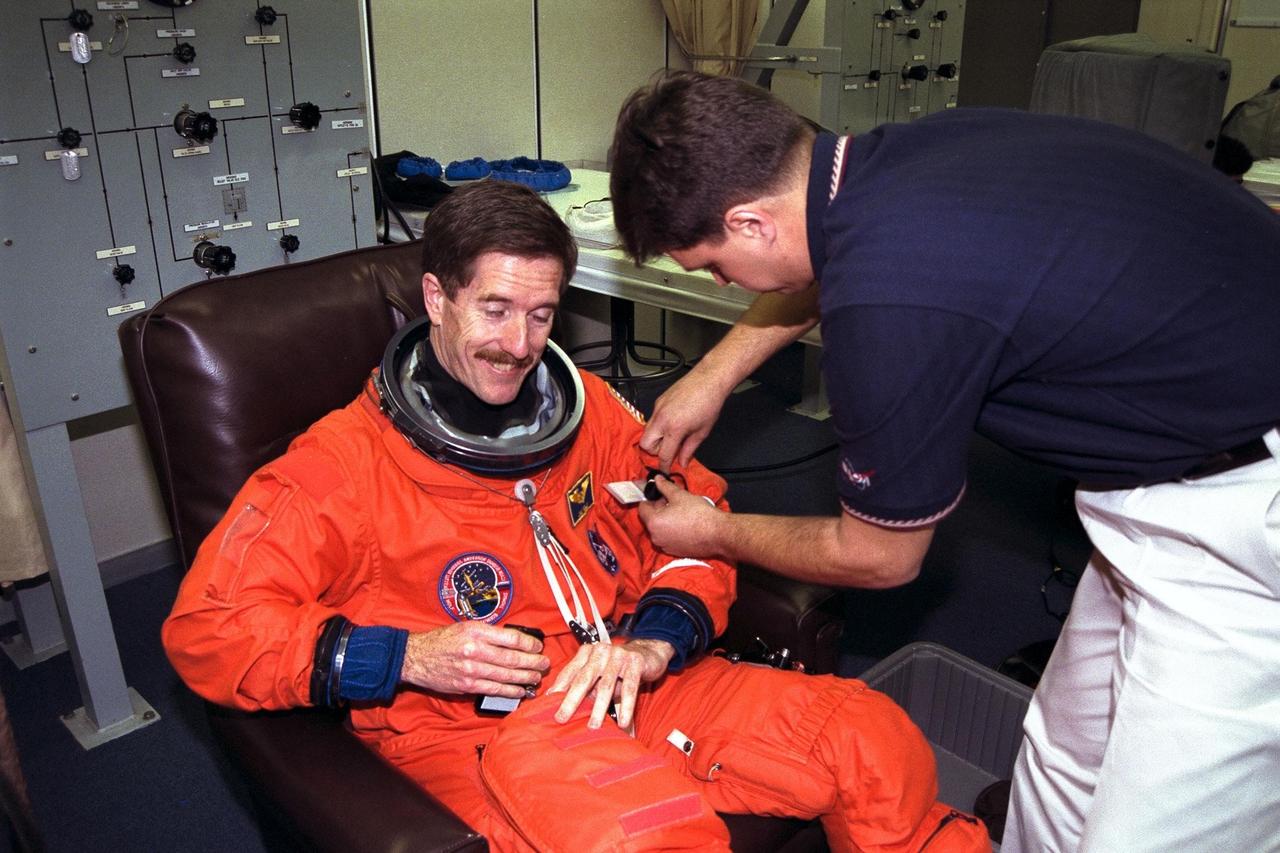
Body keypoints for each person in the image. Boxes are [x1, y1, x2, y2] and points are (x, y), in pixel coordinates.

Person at [161, 181, 989, 852]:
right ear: (435, 298)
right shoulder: (338, 468)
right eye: (494, 309)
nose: (519, 345)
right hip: (477, 736)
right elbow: (209, 631)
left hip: (634, 682)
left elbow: (697, 519)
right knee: (635, 837)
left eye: (543, 314)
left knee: (867, 738)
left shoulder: (588, 409)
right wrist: (412, 655)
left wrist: (656, 639)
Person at [607, 71, 1280, 852]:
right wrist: (712, 375)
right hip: (1173, 450)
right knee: (1061, 756)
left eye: (713, 268)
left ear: (751, 221)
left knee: (1153, 833)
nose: (722, 285)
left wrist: (712, 533)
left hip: (1244, 507)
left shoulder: (889, 307)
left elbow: (879, 555)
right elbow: (837, 262)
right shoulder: (892, 159)